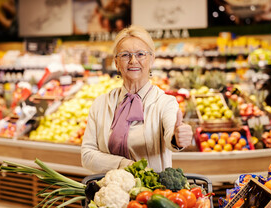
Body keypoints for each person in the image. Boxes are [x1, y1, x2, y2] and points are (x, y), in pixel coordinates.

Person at [81, 25, 193, 173]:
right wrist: (124, 165)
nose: (133, 60)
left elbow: (170, 135)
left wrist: (177, 139)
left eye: (140, 54)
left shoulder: (165, 103)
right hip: (109, 191)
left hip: (151, 193)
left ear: (151, 59)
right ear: (116, 62)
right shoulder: (100, 104)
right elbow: (87, 156)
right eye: (125, 55)